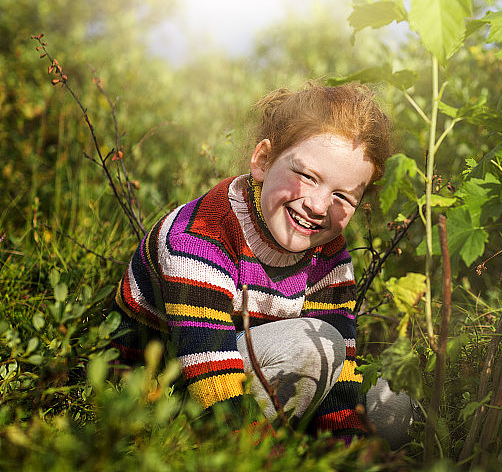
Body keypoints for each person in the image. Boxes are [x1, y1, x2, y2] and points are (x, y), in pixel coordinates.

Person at [110, 83, 414, 445]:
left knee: (393, 403)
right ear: (263, 160)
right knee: (310, 346)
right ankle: (231, 449)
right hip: (168, 387)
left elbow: (340, 365)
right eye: (307, 175)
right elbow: (210, 366)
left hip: (252, 367)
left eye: (342, 196)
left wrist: (343, 449)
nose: (317, 205)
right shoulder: (202, 235)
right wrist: (256, 457)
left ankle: (322, 448)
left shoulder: (328, 253)